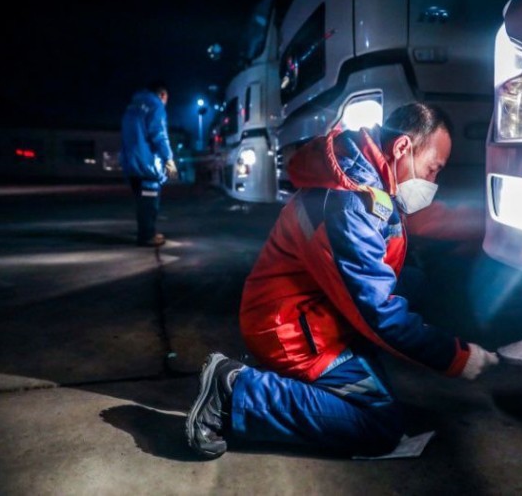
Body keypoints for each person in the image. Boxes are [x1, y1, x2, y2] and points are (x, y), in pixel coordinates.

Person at [185, 102, 499, 459]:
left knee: (413, 283)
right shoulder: (350, 203)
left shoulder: (368, 174)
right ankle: (235, 392)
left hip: (310, 310)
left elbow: (408, 237)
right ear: (401, 149)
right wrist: (455, 357)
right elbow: (378, 312)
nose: (432, 183)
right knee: (379, 424)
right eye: (432, 169)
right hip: (291, 329)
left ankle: (283, 382)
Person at [120, 80, 178, 247]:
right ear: (162, 95)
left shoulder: (132, 106)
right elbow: (159, 134)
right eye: (167, 99)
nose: (166, 103)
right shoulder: (155, 105)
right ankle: (147, 236)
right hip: (146, 164)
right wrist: (168, 159)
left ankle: (147, 232)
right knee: (150, 202)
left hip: (131, 164)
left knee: (142, 202)